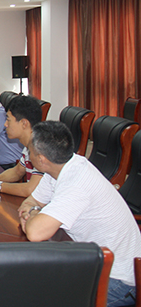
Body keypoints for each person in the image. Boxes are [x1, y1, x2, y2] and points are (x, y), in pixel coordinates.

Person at [18, 121, 141, 307]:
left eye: (29, 150)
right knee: (33, 283)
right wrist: (34, 211)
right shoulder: (59, 168)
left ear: (41, 159)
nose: (27, 154)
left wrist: (33, 213)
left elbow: (35, 232)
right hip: (92, 261)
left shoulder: (77, 182)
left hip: (118, 280)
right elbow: (29, 202)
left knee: (41, 298)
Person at [0, 95, 43, 197]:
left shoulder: (41, 149)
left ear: (24, 123)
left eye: (8, 120)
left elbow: (31, 189)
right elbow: (17, 172)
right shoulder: (29, 146)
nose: (5, 124)